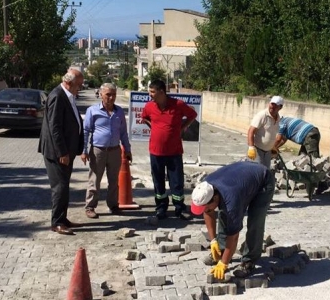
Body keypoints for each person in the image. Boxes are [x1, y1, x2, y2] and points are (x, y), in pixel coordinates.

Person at [190, 161, 276, 279]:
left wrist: (223, 264)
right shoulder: (206, 187)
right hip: (241, 178)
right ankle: (221, 249)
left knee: (255, 220)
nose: (205, 210)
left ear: (215, 198)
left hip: (263, 181)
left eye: (207, 207)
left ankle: (249, 261)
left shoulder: (231, 201)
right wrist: (213, 241)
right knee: (223, 214)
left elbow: (233, 236)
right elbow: (208, 212)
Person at [140, 79, 198, 220]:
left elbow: (192, 115)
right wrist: (153, 126)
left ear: (161, 92)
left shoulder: (178, 105)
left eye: (153, 92)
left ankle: (179, 208)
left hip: (174, 152)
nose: (150, 94)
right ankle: (161, 208)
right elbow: (144, 118)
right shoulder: (149, 106)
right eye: (150, 91)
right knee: (158, 181)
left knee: (176, 181)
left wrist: (182, 127)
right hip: (155, 151)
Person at [38, 68, 85, 235]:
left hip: (67, 151)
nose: (80, 88)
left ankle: (63, 218)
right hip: (57, 152)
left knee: (64, 186)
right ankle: (57, 222)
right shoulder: (58, 96)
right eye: (78, 85)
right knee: (59, 187)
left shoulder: (68, 95)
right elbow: (54, 127)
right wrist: (62, 152)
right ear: (69, 82)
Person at [81, 83, 132, 218]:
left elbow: (123, 133)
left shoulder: (119, 112)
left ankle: (113, 205)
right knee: (94, 180)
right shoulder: (93, 110)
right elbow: (86, 131)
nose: (111, 97)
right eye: (108, 94)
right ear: (101, 95)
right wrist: (84, 150)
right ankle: (90, 206)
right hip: (98, 151)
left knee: (114, 180)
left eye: (113, 94)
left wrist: (127, 149)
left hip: (115, 151)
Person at [247, 96, 283, 168]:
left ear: (280, 107)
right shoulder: (262, 115)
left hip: (268, 152)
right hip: (257, 150)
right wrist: (251, 147)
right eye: (271, 104)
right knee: (258, 171)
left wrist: (273, 146)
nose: (272, 106)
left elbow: (272, 133)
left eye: (275, 105)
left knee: (265, 171)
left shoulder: (278, 118)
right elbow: (251, 131)